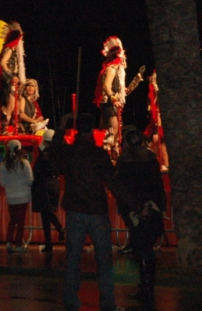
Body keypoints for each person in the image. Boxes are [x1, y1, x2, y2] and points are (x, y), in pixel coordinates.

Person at [55, 112, 136, 311]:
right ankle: (108, 303)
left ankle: (71, 299)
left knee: (73, 258)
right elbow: (113, 182)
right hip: (96, 210)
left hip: (75, 209)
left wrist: (60, 128)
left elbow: (56, 152)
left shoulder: (70, 152)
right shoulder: (99, 154)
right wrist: (135, 205)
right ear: (92, 130)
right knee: (103, 260)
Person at [116, 127, 166, 303]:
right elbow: (158, 185)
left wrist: (129, 208)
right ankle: (147, 286)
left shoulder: (125, 161)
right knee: (147, 248)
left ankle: (145, 287)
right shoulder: (151, 159)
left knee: (140, 248)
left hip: (135, 210)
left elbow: (122, 189)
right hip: (151, 208)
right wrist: (161, 206)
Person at [93, 36, 144, 157]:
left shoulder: (118, 71)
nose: (125, 58)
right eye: (123, 55)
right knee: (112, 134)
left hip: (111, 105)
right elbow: (106, 86)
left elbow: (123, 93)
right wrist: (114, 99)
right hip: (109, 106)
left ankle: (106, 157)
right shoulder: (111, 69)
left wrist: (136, 80)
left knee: (109, 134)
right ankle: (106, 158)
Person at [0, 139, 34, 252]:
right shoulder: (24, 163)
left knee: (13, 220)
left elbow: (2, 182)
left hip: (11, 196)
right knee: (21, 221)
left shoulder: (3, 164)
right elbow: (30, 180)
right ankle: (18, 244)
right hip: (23, 196)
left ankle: (8, 242)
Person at [31, 129, 64, 253]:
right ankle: (49, 241)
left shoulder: (44, 154)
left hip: (44, 184)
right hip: (54, 183)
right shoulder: (58, 153)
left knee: (45, 213)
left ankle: (56, 233)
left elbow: (37, 170)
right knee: (48, 212)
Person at [0, 22, 25, 130]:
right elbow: (3, 63)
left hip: (12, 78)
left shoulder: (12, 50)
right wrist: (11, 75)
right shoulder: (9, 49)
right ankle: (4, 127)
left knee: (16, 104)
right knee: (11, 104)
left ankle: (11, 125)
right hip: (8, 78)